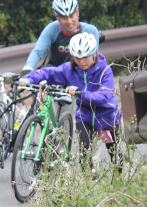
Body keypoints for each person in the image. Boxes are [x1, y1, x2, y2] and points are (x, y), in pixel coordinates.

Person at [19, 32, 121, 164]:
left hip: (107, 116)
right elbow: (48, 73)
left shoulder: (105, 70)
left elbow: (104, 96)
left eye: (86, 57)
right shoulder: (70, 69)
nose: (82, 62)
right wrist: (29, 78)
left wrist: (81, 93)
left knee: (116, 157)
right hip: (85, 117)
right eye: (78, 58)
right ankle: (90, 181)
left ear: (94, 53)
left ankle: (117, 182)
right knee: (85, 157)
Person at [21, 0, 100, 75]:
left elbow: (94, 60)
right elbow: (38, 51)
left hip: (78, 75)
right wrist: (28, 68)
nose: (69, 21)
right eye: (64, 17)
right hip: (54, 74)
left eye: (72, 16)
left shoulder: (90, 30)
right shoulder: (52, 29)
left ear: (78, 13)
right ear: (57, 18)